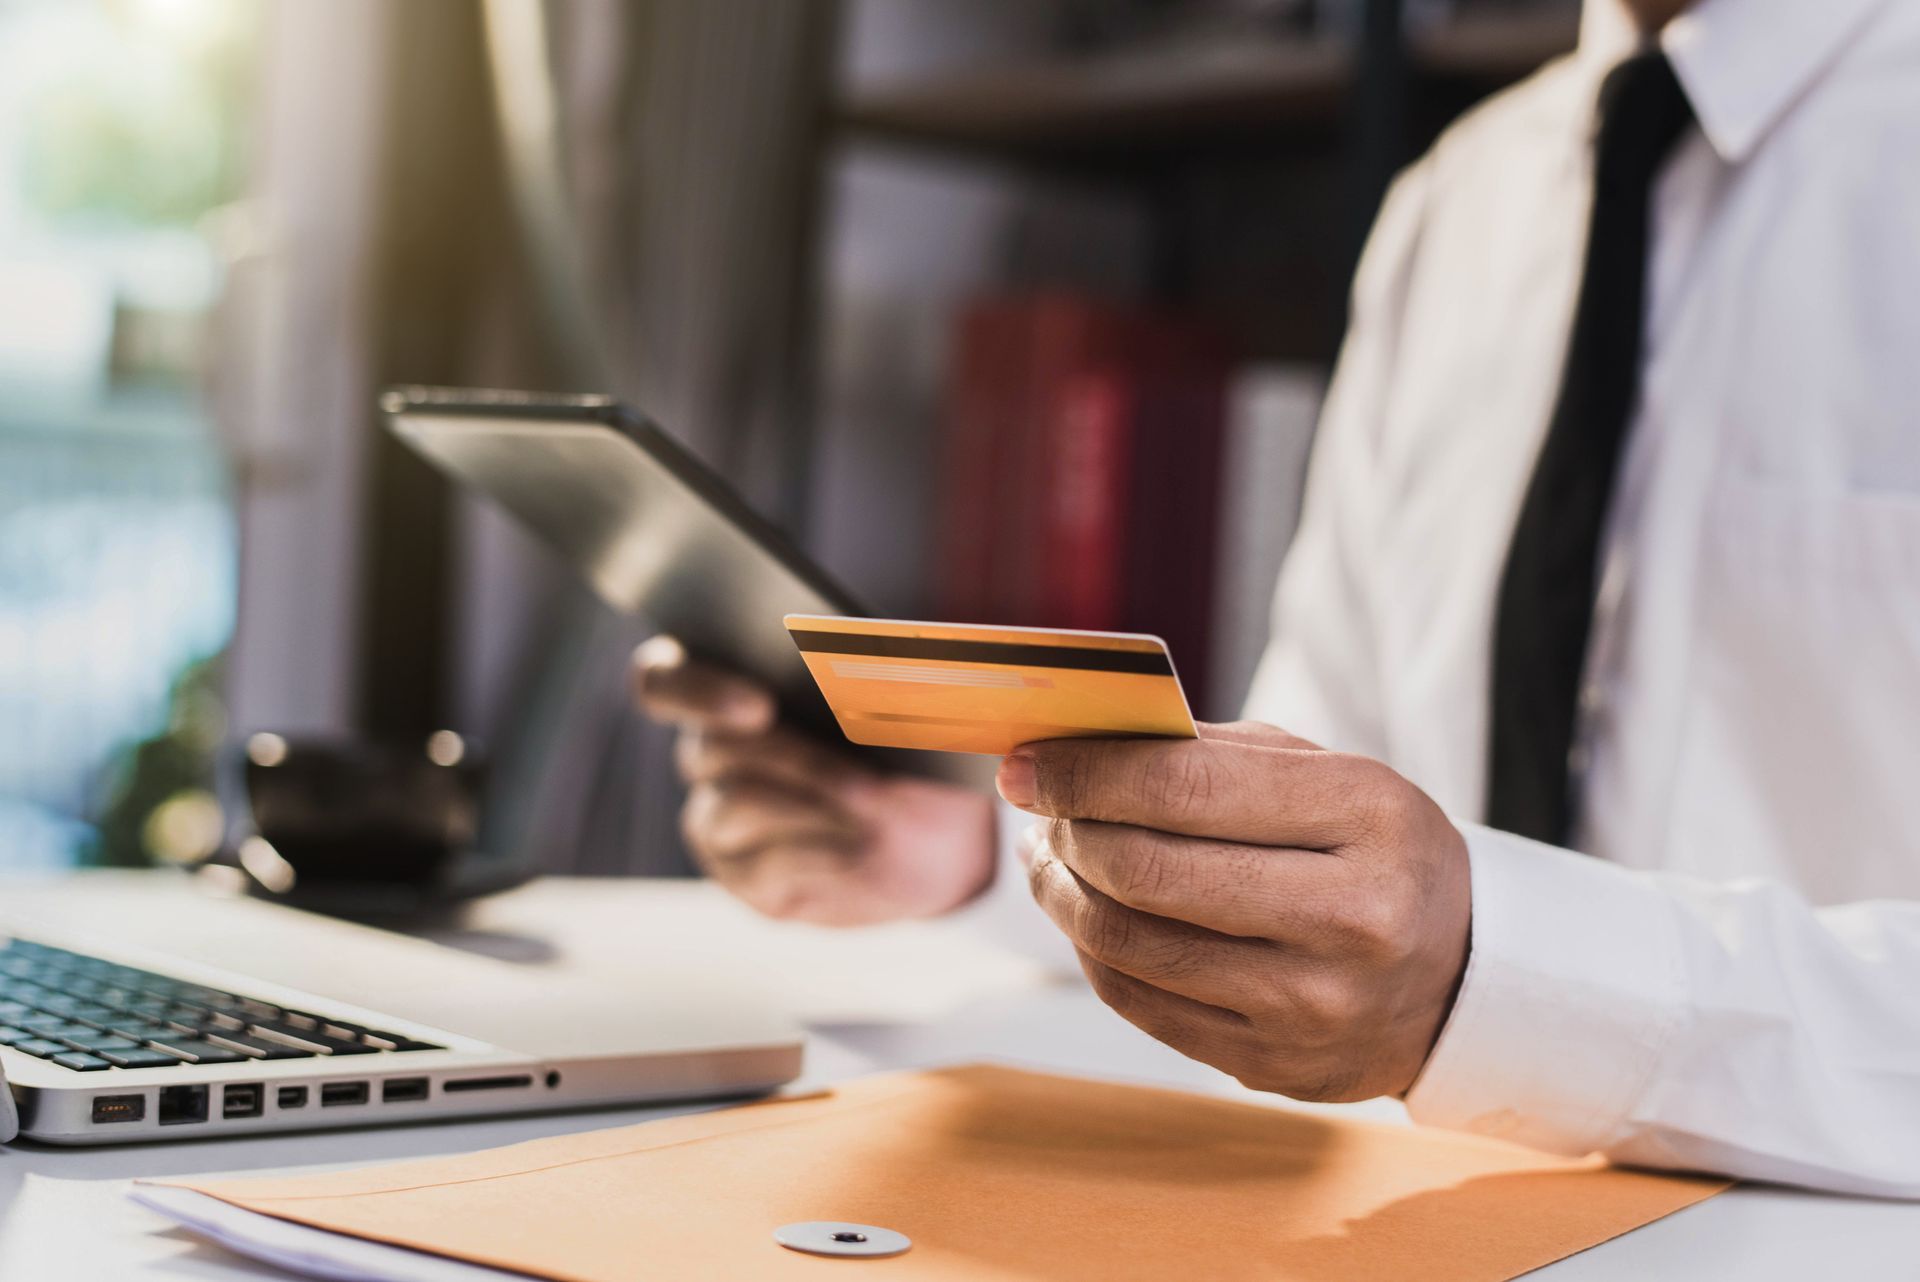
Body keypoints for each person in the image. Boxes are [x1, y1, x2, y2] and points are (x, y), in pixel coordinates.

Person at [635, 0, 1920, 1197]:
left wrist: (1503, 981)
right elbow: (1332, 765)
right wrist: (998, 857)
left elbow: (1454, 944)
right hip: (1420, 1212)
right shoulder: (1462, 202)